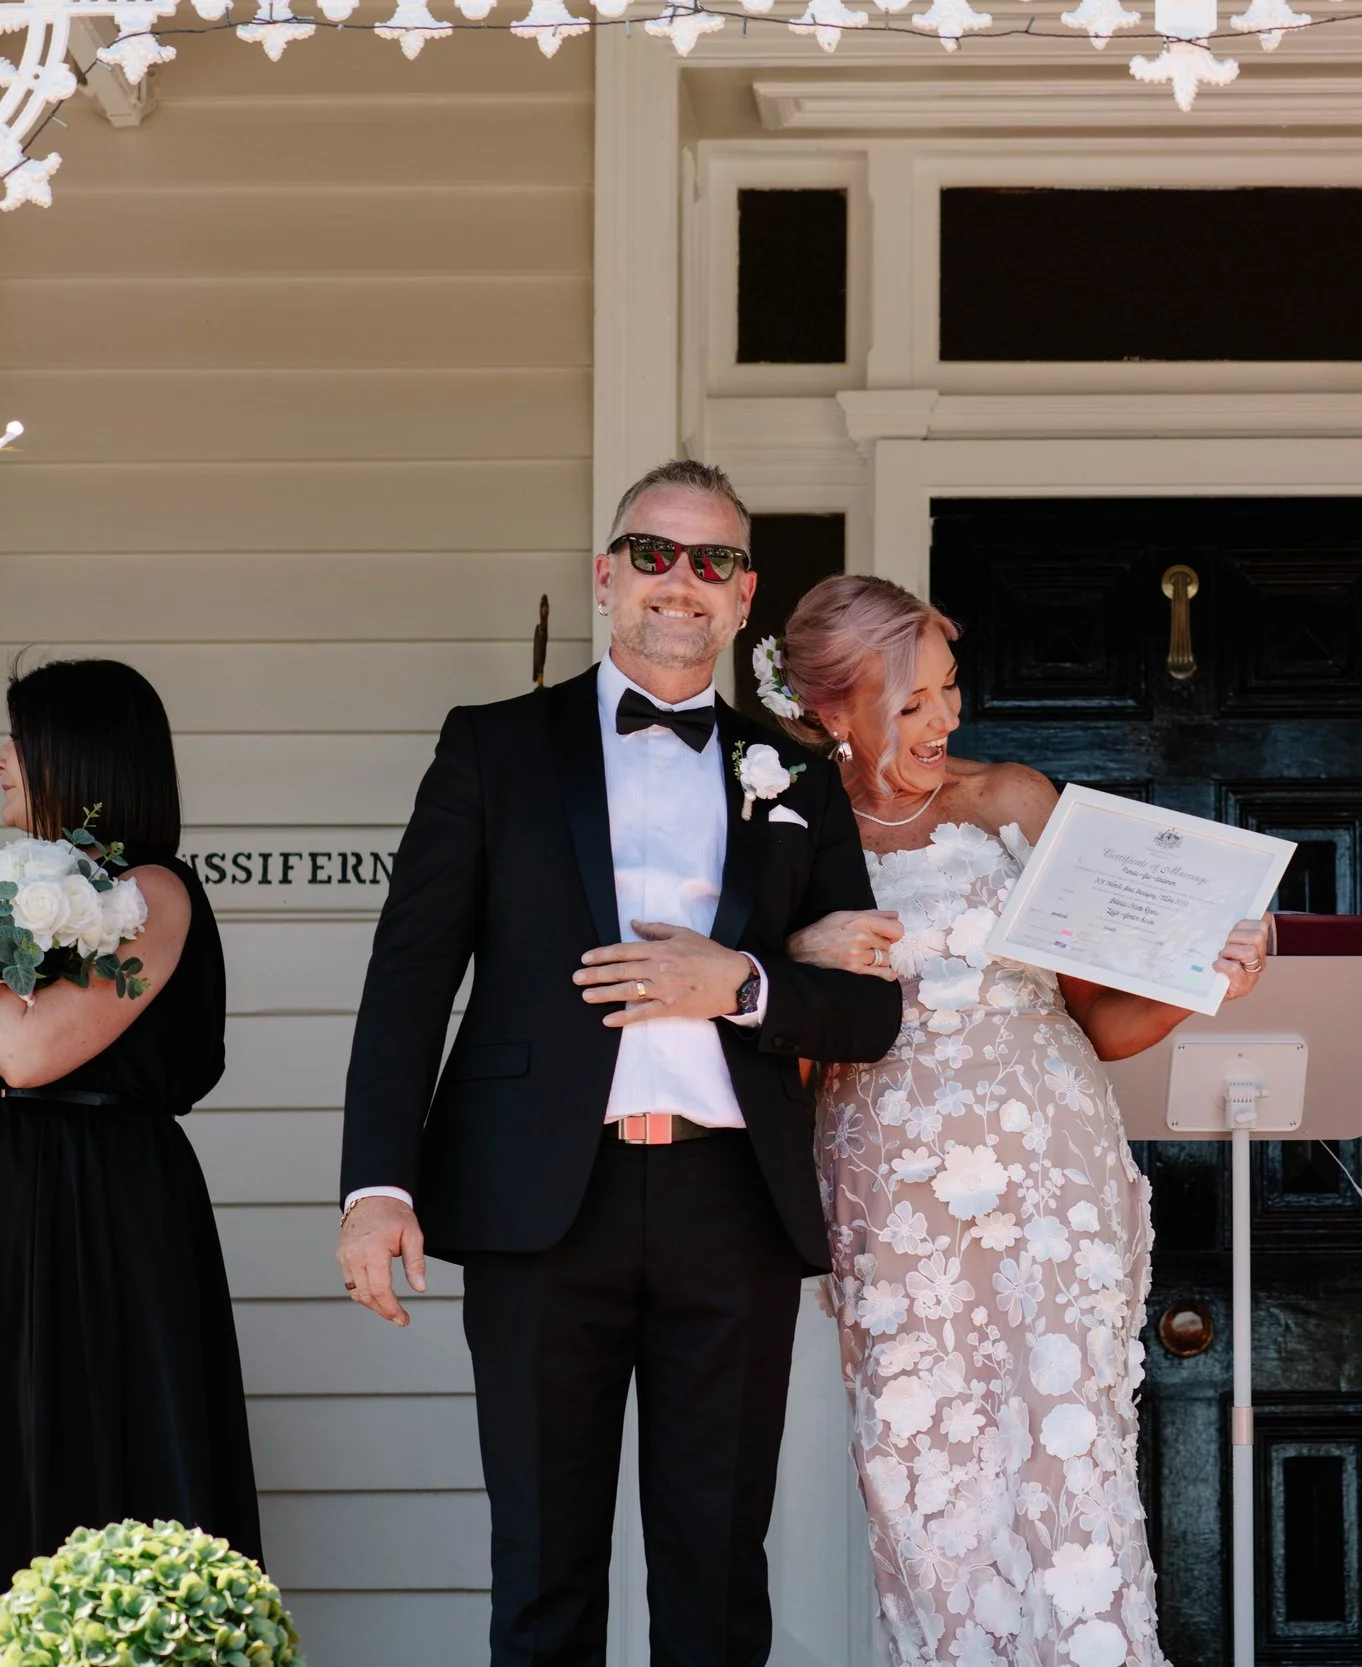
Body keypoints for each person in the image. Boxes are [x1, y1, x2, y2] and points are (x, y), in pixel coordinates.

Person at [334, 460, 904, 1667]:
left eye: (713, 562)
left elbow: (865, 1012)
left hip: (730, 1207)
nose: (680, 582)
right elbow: (408, 979)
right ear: (604, 577)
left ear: (745, 596)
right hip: (546, 1202)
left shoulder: (796, 774)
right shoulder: (491, 748)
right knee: (543, 1579)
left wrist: (739, 984)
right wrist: (377, 1184)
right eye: (653, 553)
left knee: (713, 1580)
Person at [765, 574, 1269, 1667]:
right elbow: (776, 1048)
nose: (944, 720)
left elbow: (1103, 1022)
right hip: (893, 1196)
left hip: (1052, 1180)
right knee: (920, 1476)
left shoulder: (1014, 803)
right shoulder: (789, 834)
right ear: (830, 710)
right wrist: (802, 955)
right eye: (910, 703)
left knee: (1068, 1470)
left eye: (948, 690)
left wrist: (1204, 978)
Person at [0, 659, 260, 1578]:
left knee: (104, 1436)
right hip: (24, 1200)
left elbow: (28, 1054)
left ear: (83, 760)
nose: (1, 762)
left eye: (19, 745)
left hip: (102, 1203)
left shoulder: (154, 892)